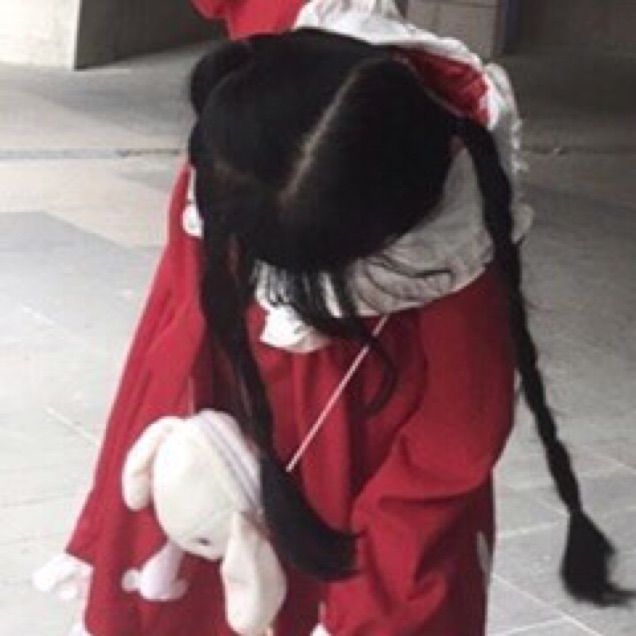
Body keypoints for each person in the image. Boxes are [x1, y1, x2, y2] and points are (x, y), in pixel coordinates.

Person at [34, 2, 630, 635]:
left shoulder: (450, 253)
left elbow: (449, 448)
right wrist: (167, 457)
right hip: (214, 441)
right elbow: (178, 322)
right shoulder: (244, 149)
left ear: (384, 242)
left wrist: (368, 611)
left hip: (366, 497)